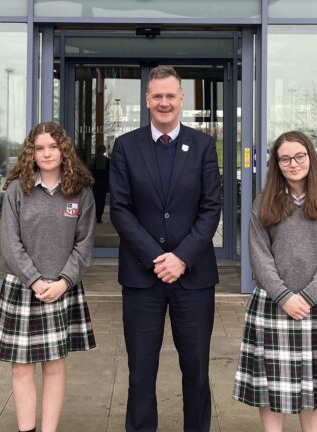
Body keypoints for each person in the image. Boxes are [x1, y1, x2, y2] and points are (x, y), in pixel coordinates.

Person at [109, 65, 222, 432]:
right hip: (143, 278)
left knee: (196, 371)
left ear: (181, 99)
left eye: (170, 95)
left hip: (194, 278)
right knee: (140, 372)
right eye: (157, 96)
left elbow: (211, 207)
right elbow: (121, 210)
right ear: (146, 100)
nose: (164, 102)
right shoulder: (126, 146)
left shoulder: (204, 145)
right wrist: (158, 260)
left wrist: (182, 258)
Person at [233, 131, 317, 431]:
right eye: (285, 159)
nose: (293, 163)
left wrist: (308, 297)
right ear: (276, 164)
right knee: (272, 382)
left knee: (315, 383)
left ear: (311, 157)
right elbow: (259, 255)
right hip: (273, 303)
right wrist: (283, 295)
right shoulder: (264, 204)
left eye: (299, 156)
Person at [0, 121, 97, 432]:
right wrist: (35, 281)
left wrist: (64, 281)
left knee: (54, 365)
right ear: (30, 153)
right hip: (24, 288)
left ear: (64, 151)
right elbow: (10, 243)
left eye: (53, 147)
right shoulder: (16, 190)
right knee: (22, 368)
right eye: (39, 148)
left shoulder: (81, 191)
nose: (47, 153)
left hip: (63, 287)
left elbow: (84, 243)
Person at [91, 143, 110, 223]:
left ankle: (96, 215)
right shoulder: (107, 161)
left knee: (95, 199)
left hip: (96, 182)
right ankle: (99, 216)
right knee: (101, 199)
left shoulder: (94, 160)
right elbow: (109, 172)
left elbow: (91, 171)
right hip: (104, 182)